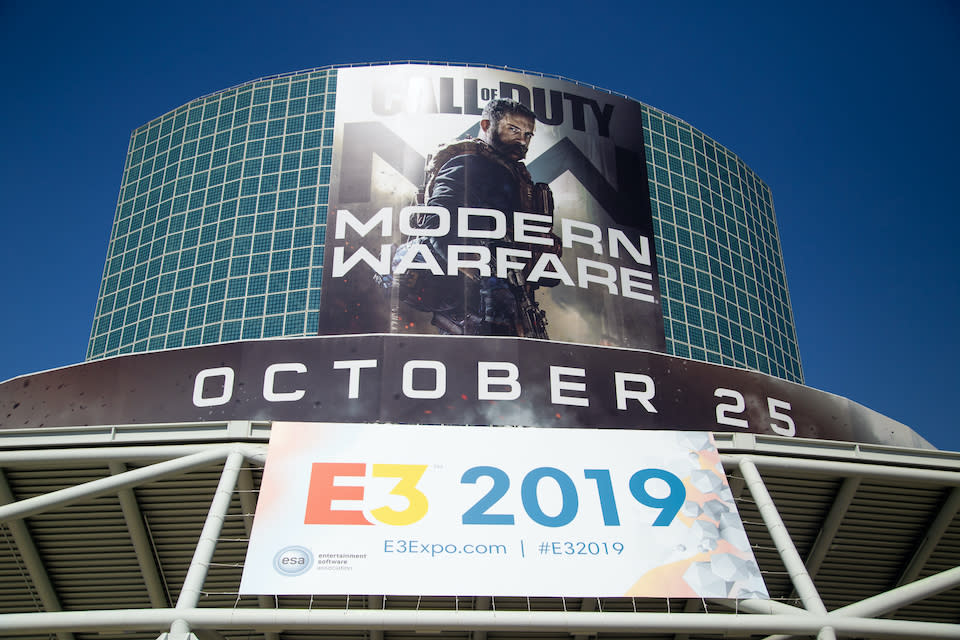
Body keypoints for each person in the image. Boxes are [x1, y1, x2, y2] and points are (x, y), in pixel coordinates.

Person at [408, 98, 559, 337]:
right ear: (487, 125)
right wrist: (478, 276)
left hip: (511, 301)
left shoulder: (512, 173)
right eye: (514, 129)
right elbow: (437, 222)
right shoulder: (469, 163)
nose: (523, 140)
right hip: (478, 311)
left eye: (528, 135)